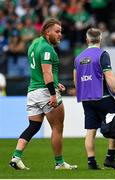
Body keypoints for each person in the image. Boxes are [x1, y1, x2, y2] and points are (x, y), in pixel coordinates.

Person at [9, 18, 77, 170]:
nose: (60, 35)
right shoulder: (47, 48)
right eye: (57, 31)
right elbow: (46, 72)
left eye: (61, 32)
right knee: (57, 128)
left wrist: (55, 82)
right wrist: (53, 93)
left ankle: (16, 156)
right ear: (47, 32)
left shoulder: (34, 44)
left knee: (33, 126)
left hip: (33, 91)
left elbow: (40, 71)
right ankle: (59, 163)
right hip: (45, 92)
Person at [73, 28, 115, 170]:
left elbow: (76, 80)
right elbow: (109, 77)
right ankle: (110, 159)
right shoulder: (102, 54)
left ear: (87, 40)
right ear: (100, 39)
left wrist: (83, 93)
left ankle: (91, 161)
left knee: (91, 130)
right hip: (103, 97)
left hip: (86, 99)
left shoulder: (78, 57)